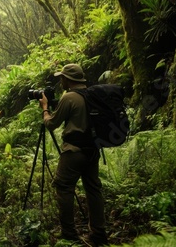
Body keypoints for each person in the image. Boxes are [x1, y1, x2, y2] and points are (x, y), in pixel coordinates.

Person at [39, 63, 108, 246]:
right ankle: (99, 233)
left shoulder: (69, 97)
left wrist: (45, 108)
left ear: (68, 79)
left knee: (63, 187)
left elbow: (51, 124)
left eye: (61, 77)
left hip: (74, 151)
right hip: (93, 150)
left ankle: (69, 233)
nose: (60, 80)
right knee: (93, 189)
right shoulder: (92, 94)